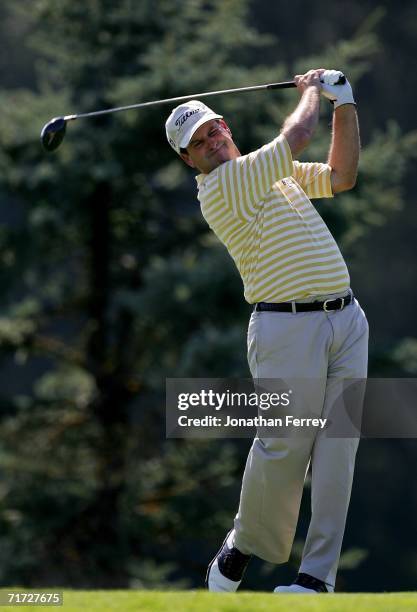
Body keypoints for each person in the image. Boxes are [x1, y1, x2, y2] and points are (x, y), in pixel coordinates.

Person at [165, 69, 369, 594]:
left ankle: (315, 580)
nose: (211, 142)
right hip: (285, 327)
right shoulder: (223, 186)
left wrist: (343, 104)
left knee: (338, 449)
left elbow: (341, 176)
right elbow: (297, 135)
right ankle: (241, 547)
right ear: (189, 160)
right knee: (283, 446)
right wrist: (311, 92)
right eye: (198, 143)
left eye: (213, 130)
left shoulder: (271, 173)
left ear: (225, 127)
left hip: (346, 320)